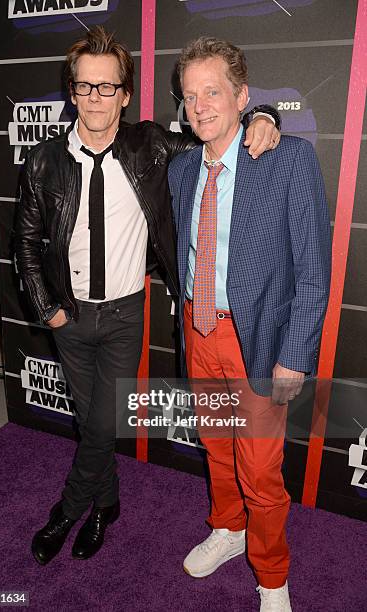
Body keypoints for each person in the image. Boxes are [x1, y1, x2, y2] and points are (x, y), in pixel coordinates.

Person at [14, 26, 280, 567]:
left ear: (125, 94)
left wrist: (265, 115)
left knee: (103, 420)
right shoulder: (43, 160)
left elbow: (220, 129)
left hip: (123, 315)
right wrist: (49, 310)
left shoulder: (152, 146)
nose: (94, 97)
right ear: (72, 92)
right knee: (92, 421)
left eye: (106, 87)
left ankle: (68, 509)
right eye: (84, 86)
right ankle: (105, 504)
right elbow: (23, 243)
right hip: (69, 314)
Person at [168, 36, 331, 611]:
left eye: (213, 92)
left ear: (241, 96)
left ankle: (272, 578)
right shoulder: (183, 169)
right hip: (199, 330)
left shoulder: (287, 158)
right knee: (217, 448)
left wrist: (295, 355)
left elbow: (313, 270)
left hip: (256, 340)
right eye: (190, 96)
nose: (201, 106)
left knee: (261, 471)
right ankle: (227, 530)